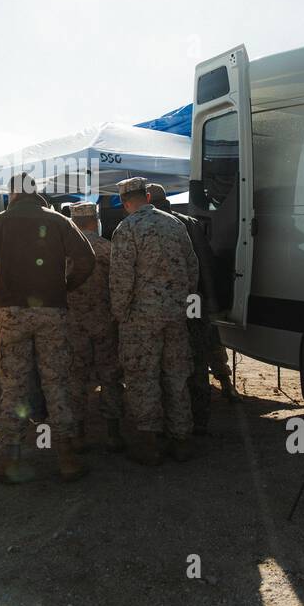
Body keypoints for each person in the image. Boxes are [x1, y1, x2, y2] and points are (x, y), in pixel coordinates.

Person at [0, 173, 95, 483]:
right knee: (56, 382)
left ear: (11, 194)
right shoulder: (59, 221)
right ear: (37, 193)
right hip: (52, 310)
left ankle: (13, 459)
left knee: (14, 386)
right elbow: (86, 259)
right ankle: (67, 459)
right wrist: (65, 286)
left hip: (11, 314)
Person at [110, 177, 198, 465]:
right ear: (147, 196)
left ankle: (149, 444)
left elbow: (122, 279)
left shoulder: (127, 228)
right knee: (176, 376)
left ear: (125, 203)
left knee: (142, 377)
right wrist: (183, 301)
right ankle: (182, 440)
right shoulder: (175, 224)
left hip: (140, 319)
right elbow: (191, 267)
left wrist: (120, 314)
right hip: (175, 315)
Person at [146, 183, 240, 432]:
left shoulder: (143, 224)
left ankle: (171, 417)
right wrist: (210, 302)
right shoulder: (189, 223)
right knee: (199, 352)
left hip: (159, 305)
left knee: (166, 360)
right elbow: (205, 264)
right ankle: (201, 414)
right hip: (193, 301)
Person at [64, 201, 124, 452]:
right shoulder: (109, 249)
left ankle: (77, 434)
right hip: (104, 323)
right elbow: (120, 286)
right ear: (94, 220)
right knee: (110, 376)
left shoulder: (63, 252)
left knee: (76, 378)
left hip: (74, 324)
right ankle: (114, 433)